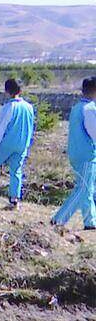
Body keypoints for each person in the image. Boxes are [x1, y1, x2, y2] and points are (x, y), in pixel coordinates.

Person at [0, 79, 35, 209]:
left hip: (7, 144)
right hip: (22, 144)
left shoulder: (7, 107)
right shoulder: (29, 107)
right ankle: (14, 199)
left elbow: (0, 129)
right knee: (16, 171)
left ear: (6, 91)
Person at [51, 76, 96, 231]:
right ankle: (59, 219)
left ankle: (90, 221)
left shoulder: (77, 107)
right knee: (83, 189)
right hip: (87, 154)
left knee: (88, 187)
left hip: (75, 152)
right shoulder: (90, 108)